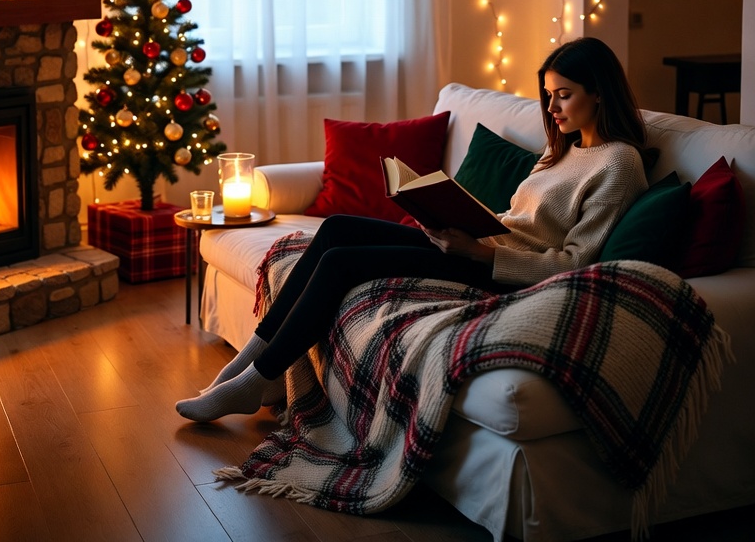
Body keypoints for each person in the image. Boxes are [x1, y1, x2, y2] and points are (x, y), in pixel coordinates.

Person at [176, 37, 649, 422]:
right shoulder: (561, 149)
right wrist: (448, 216)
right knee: (337, 228)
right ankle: (248, 366)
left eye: (563, 94)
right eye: (547, 94)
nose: (552, 106)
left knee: (342, 263)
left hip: (499, 272)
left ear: (599, 92)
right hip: (477, 245)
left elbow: (575, 263)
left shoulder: (619, 163)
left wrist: (480, 252)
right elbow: (519, 218)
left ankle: (255, 380)